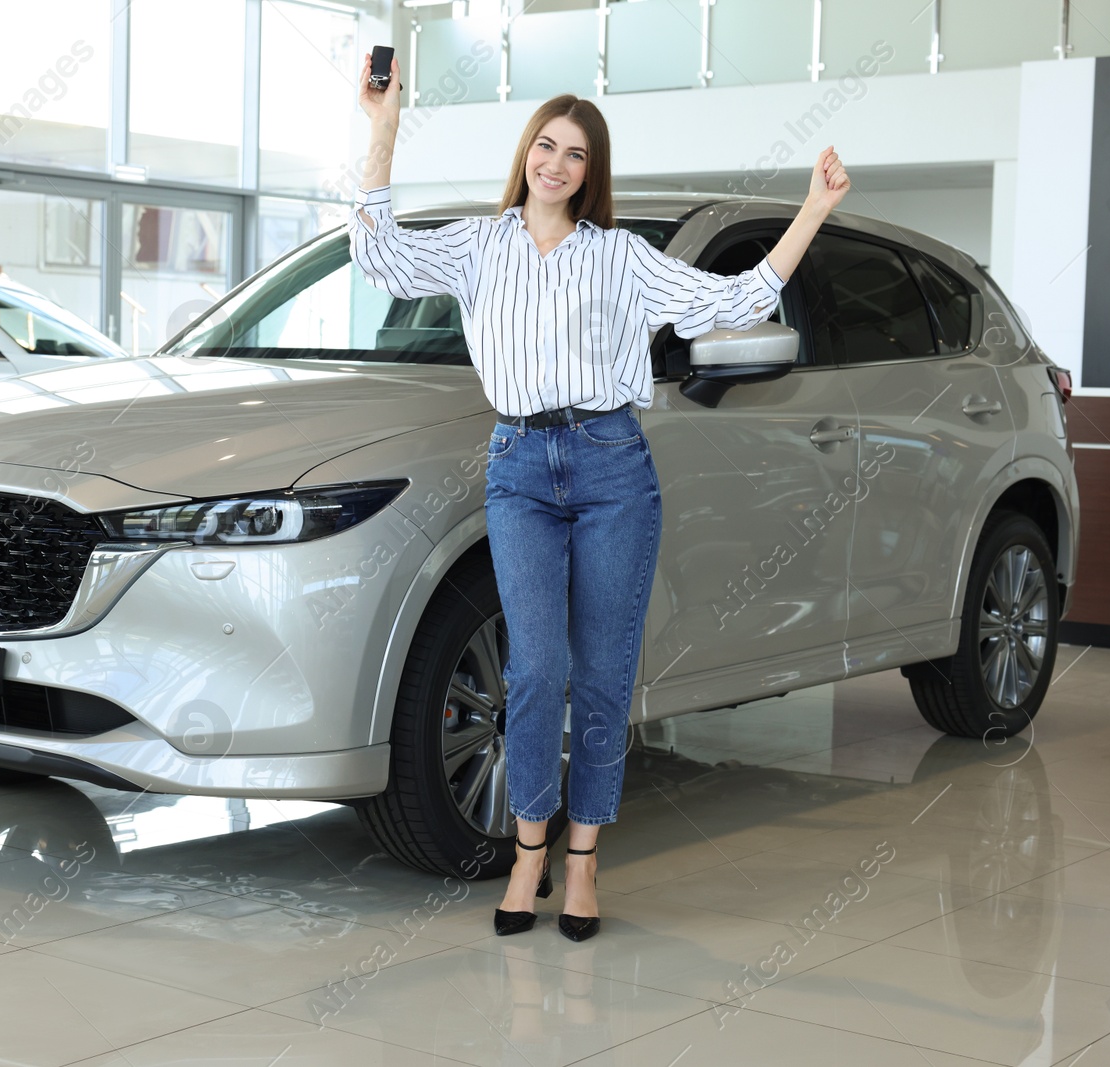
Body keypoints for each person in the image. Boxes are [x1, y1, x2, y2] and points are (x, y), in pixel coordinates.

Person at [349, 52, 850, 941]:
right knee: (536, 667)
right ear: (526, 154)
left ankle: (581, 862)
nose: (555, 164)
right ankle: (527, 851)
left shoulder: (621, 257)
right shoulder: (479, 244)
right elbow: (379, 255)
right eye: (545, 145)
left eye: (575, 154)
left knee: (604, 677)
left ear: (591, 172)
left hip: (615, 465)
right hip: (519, 465)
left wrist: (812, 209)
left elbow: (734, 300)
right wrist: (383, 126)